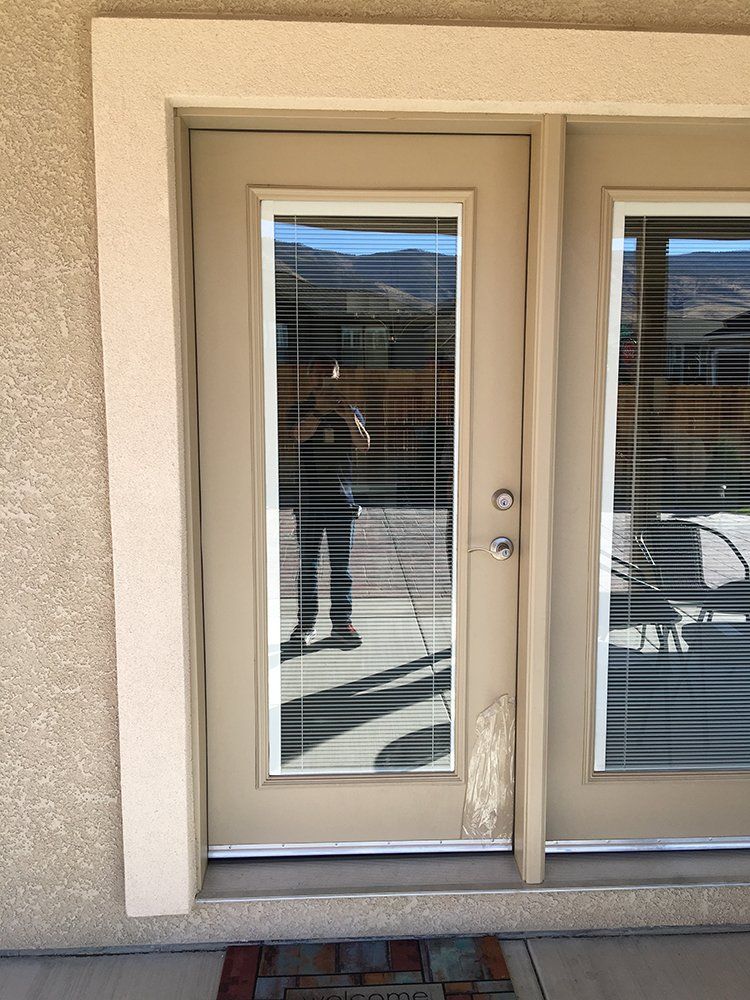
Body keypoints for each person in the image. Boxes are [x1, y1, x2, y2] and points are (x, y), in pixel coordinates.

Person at [286, 357, 370, 649]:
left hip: (341, 501)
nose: (325, 381)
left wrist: (347, 416)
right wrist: (320, 411)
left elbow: (364, 444)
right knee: (308, 566)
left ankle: (342, 624)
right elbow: (296, 436)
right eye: (320, 375)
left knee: (341, 567)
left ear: (338, 377)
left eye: (330, 376)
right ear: (310, 378)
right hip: (308, 500)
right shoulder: (301, 408)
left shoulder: (349, 409)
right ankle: (306, 625)